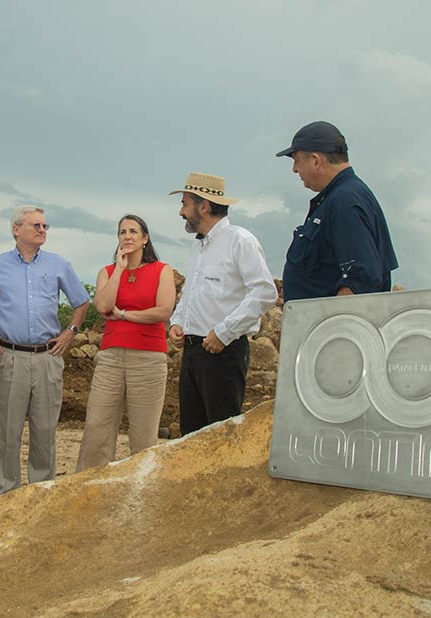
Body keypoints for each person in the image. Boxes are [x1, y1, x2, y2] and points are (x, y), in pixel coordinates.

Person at [0, 205, 89, 494]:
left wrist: (70, 333)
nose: (42, 230)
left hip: (47, 358)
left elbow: (81, 301)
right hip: (9, 357)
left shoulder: (58, 265)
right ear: (17, 229)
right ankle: (7, 492)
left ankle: (42, 493)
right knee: (8, 431)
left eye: (45, 226)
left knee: (44, 431)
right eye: (36, 226)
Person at [168, 173, 277, 435]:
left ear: (204, 206)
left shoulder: (240, 241)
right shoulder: (198, 246)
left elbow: (263, 291)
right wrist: (177, 322)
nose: (181, 212)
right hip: (193, 353)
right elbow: (191, 292)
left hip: (222, 353)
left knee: (220, 435)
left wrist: (224, 333)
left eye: (185, 204)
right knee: (191, 435)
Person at [76, 215, 175, 471]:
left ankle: (141, 492)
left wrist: (124, 315)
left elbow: (163, 311)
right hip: (110, 358)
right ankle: (88, 489)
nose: (127, 236)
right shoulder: (107, 272)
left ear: (145, 238)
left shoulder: (162, 270)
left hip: (148, 360)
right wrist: (120, 269)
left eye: (133, 231)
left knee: (143, 435)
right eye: (122, 232)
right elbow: (103, 306)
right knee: (97, 427)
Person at [275, 121, 398, 300]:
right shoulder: (342, 197)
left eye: (297, 160)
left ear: (316, 161)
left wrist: (336, 324)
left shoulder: (344, 203)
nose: (295, 169)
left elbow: (358, 279)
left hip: (330, 324)